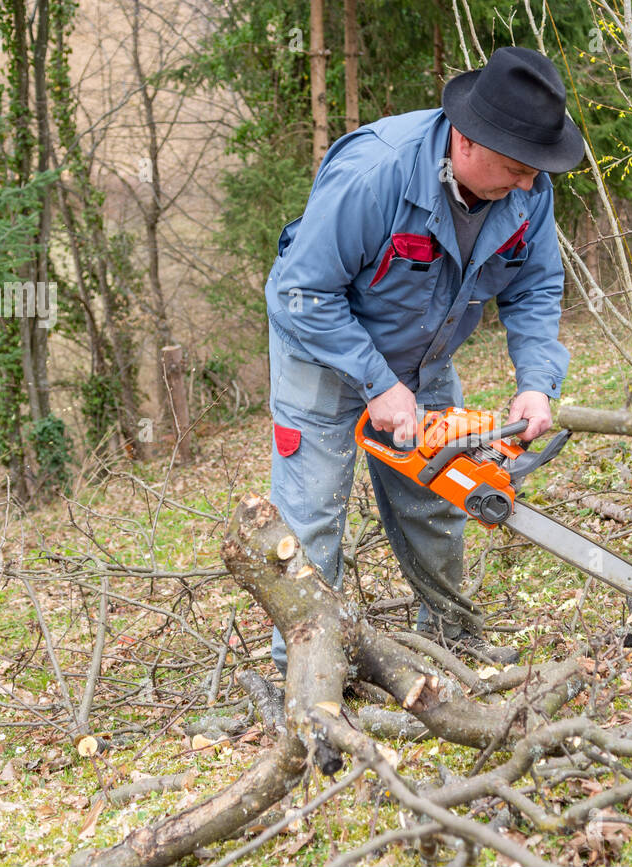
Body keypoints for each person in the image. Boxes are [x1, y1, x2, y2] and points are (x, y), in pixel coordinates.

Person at [263, 46, 584, 676]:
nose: (528, 182)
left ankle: (450, 638)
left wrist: (537, 383)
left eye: (535, 170)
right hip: (323, 358)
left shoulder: (529, 190)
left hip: (425, 356)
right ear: (465, 142)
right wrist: (376, 382)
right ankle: (307, 675)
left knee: (441, 493)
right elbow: (299, 292)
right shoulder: (377, 171)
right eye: (518, 167)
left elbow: (537, 287)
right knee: (312, 520)